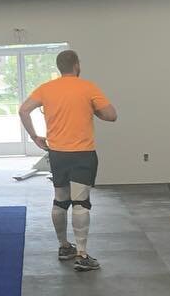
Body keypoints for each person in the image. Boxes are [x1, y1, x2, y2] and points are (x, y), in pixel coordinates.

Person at [17, 50, 117, 270]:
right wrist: (94, 111)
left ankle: (64, 246)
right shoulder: (87, 87)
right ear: (76, 65)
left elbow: (23, 110)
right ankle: (81, 255)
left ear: (59, 67)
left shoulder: (46, 88)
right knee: (80, 202)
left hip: (57, 153)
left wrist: (35, 137)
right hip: (82, 153)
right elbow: (111, 115)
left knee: (60, 199)